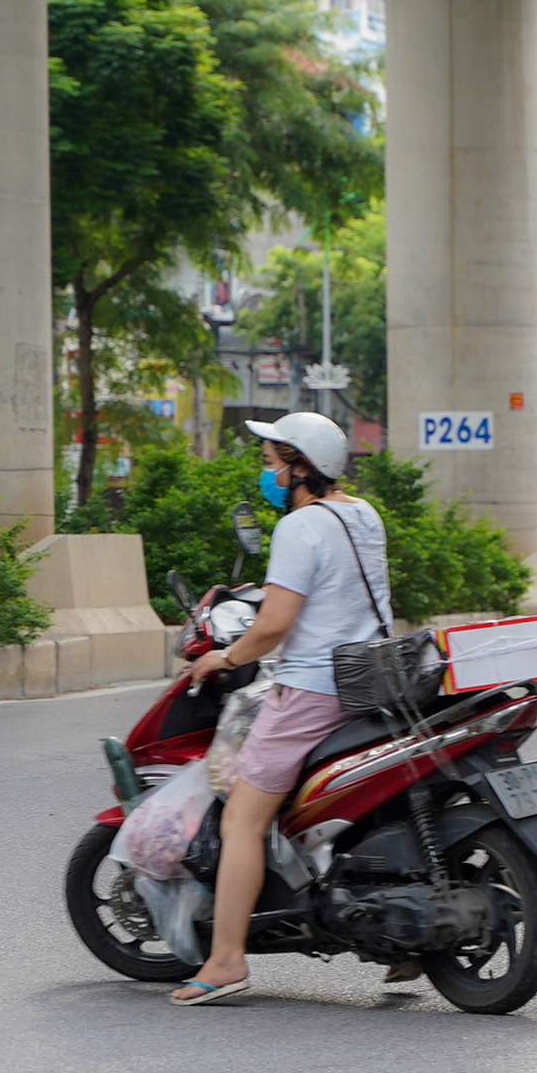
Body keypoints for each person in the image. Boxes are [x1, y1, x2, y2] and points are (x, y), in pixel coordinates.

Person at [169, 412, 393, 1004]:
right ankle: (407, 950)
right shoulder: (364, 515)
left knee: (243, 817)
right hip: (370, 682)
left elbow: (274, 626)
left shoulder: (301, 527)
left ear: (301, 468)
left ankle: (224, 959)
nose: (266, 475)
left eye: (271, 464)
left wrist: (223, 658)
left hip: (312, 688)